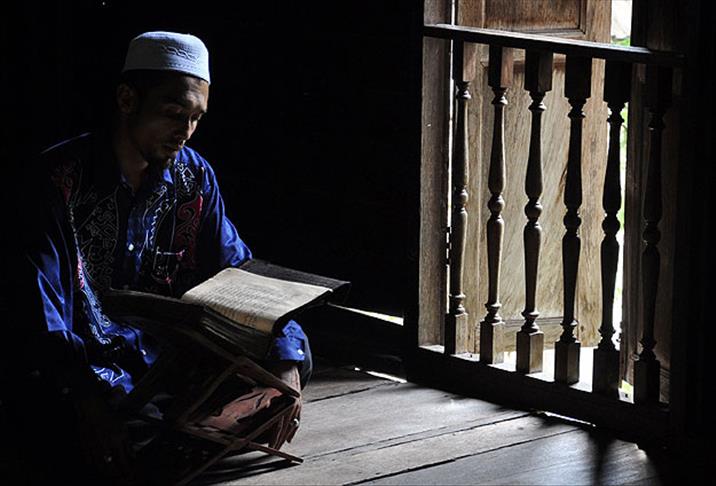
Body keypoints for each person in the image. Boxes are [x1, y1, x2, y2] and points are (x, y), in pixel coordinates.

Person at [1, 31, 311, 484]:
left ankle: (168, 430)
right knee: (53, 403)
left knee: (289, 357)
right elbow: (41, 310)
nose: (185, 132)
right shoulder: (58, 181)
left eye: (196, 118)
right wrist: (87, 401)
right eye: (173, 114)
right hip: (87, 366)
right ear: (127, 100)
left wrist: (285, 361)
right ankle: (177, 430)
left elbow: (237, 269)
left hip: (165, 360)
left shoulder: (194, 176)